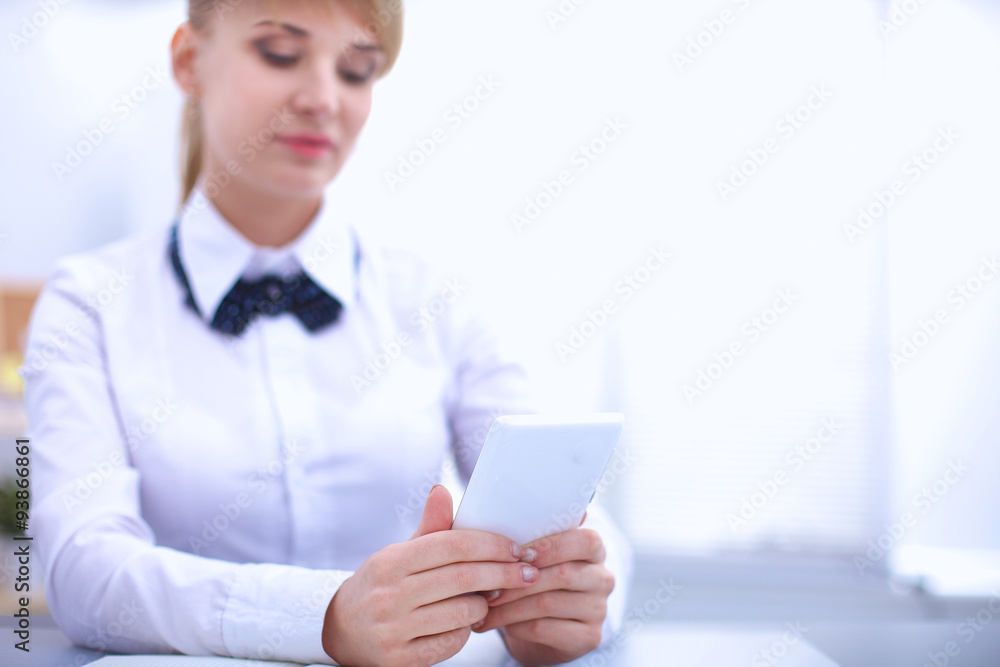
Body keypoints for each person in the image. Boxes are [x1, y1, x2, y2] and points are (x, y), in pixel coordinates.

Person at [22, 1, 632, 665]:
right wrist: (327, 616)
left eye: (357, 70)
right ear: (189, 61)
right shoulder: (87, 304)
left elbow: (575, 506)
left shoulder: (434, 296)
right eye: (281, 54)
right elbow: (83, 569)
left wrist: (579, 595)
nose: (322, 99)